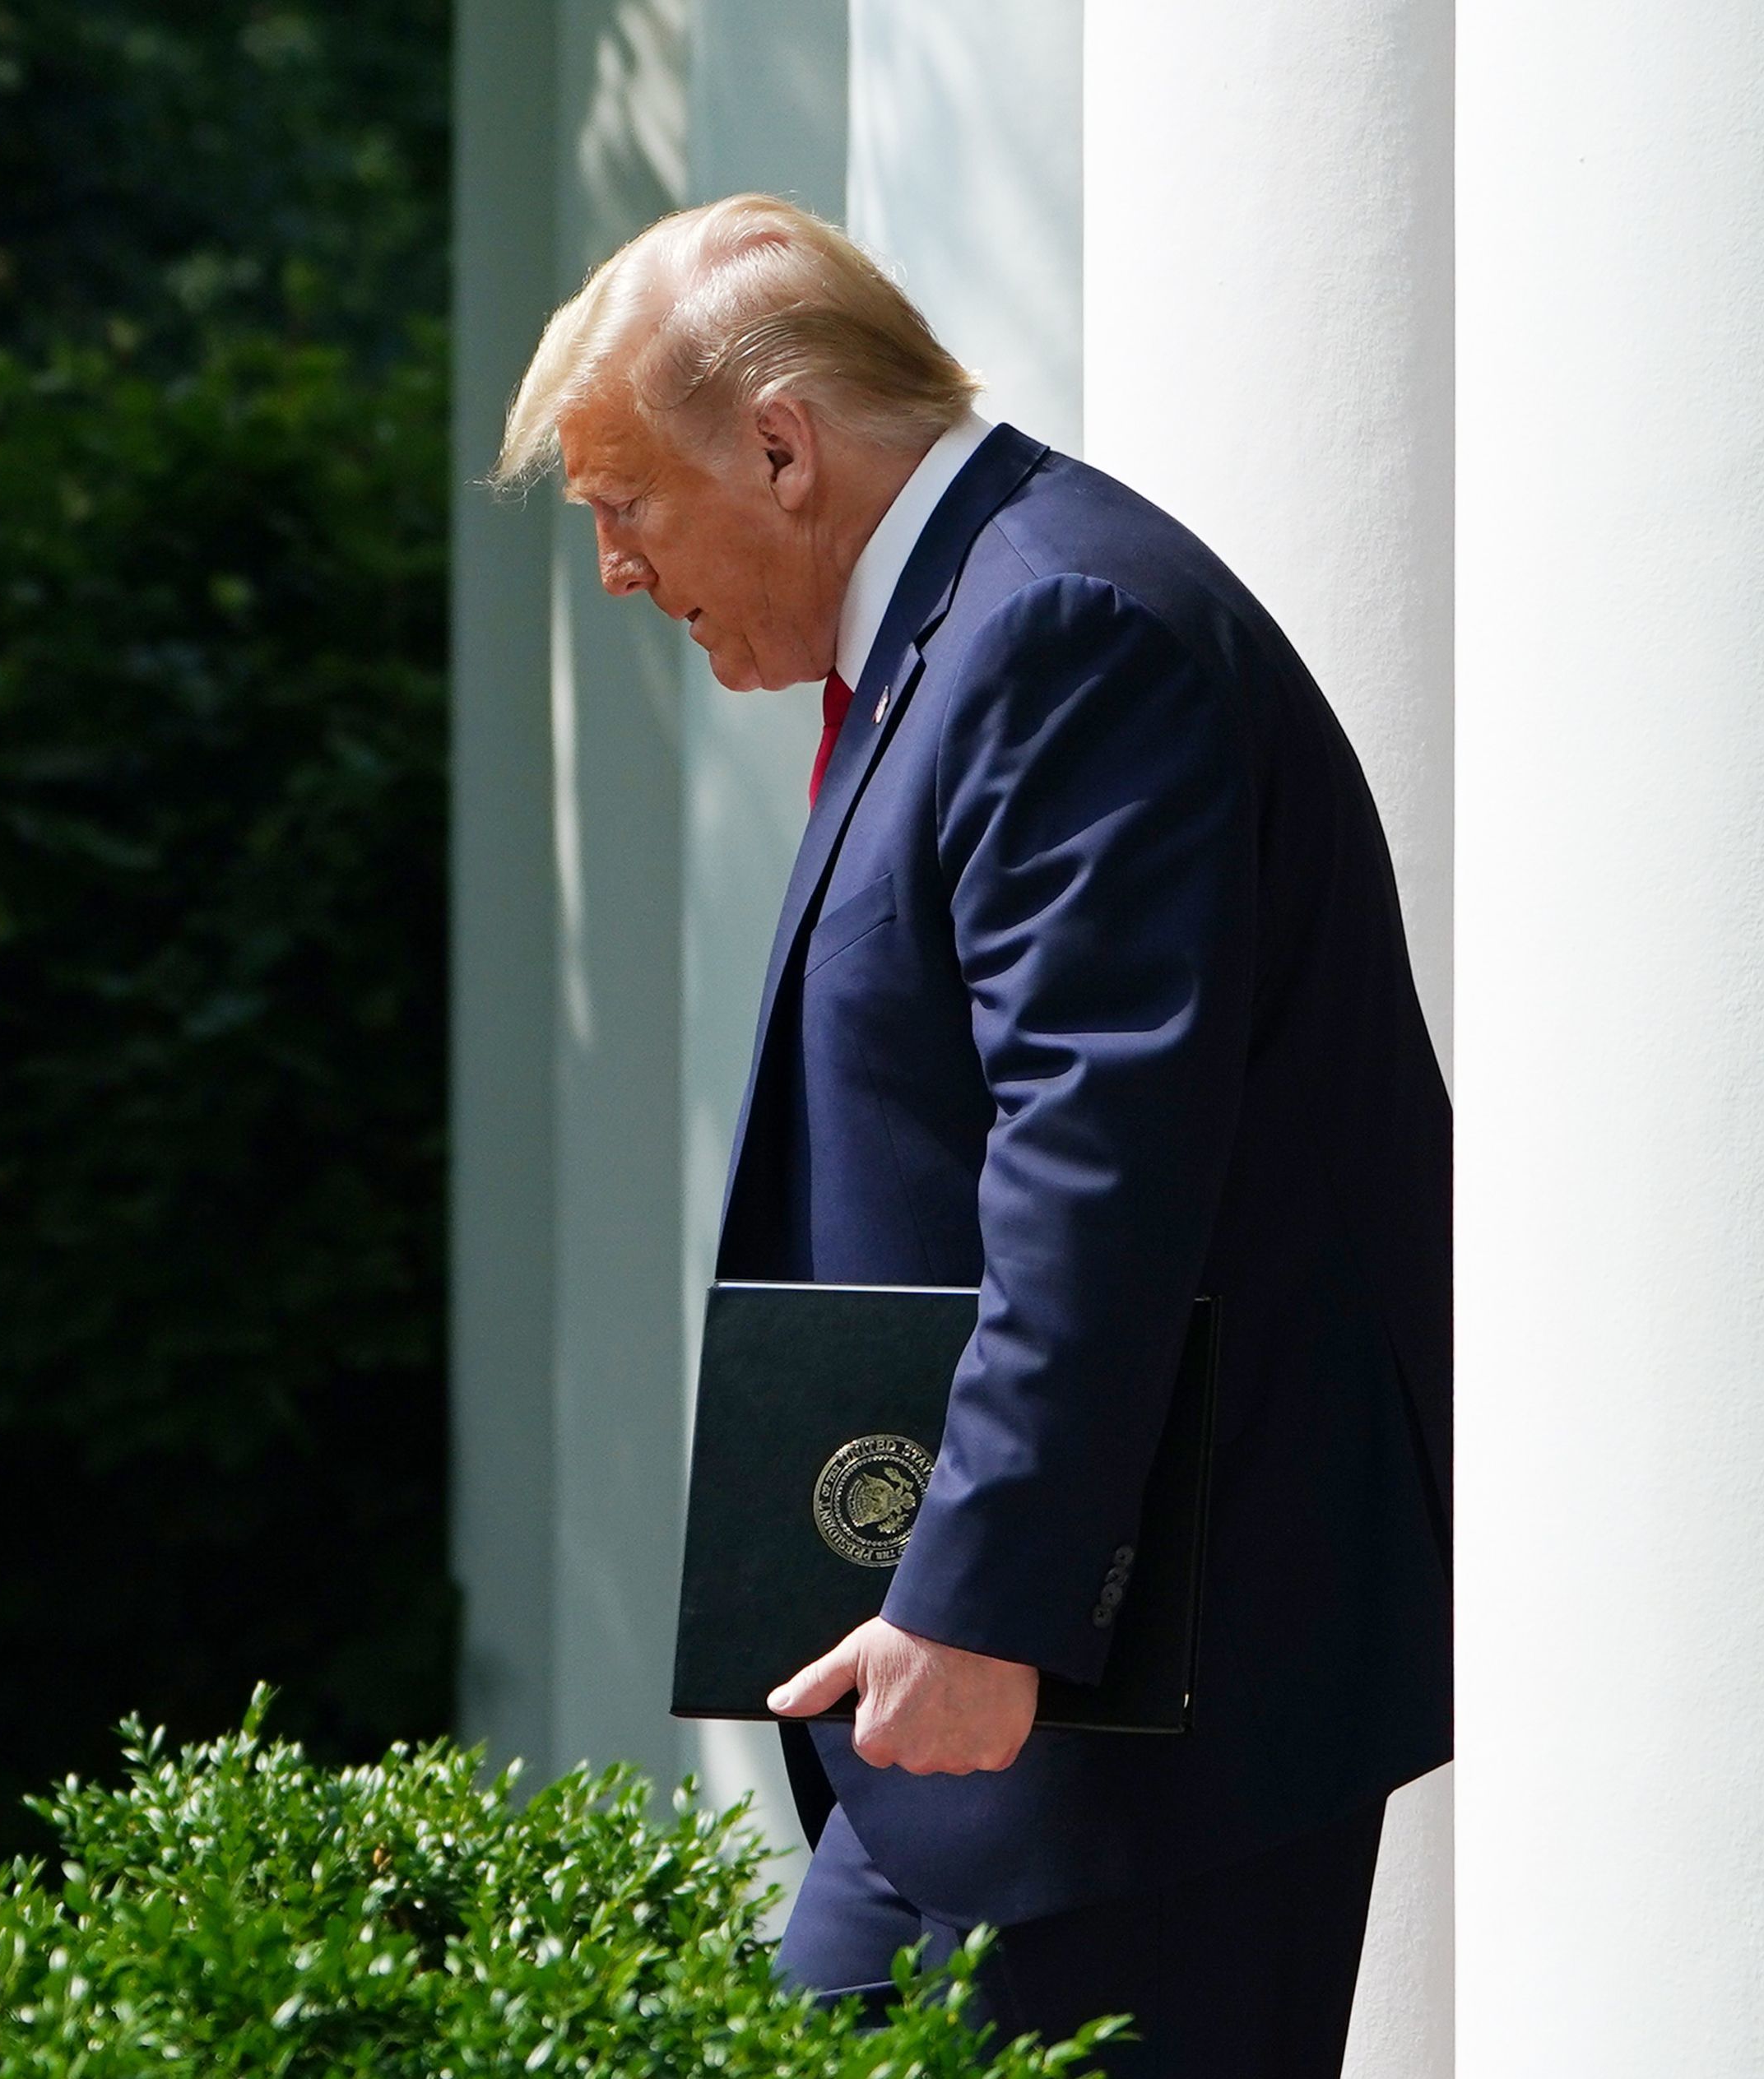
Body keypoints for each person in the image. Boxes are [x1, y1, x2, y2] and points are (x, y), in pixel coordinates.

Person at [493, 194, 1451, 2077]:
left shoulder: (1060, 632)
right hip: (1021, 1736)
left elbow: (1097, 1169)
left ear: (778, 448)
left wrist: (980, 1601)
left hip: (1105, 1724)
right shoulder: (987, 621)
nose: (612, 566)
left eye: (622, 506)